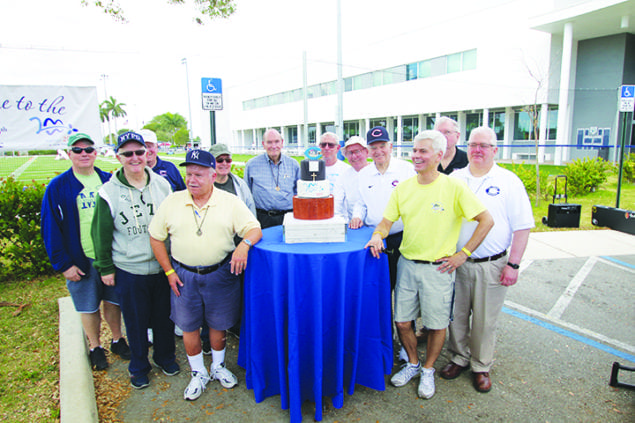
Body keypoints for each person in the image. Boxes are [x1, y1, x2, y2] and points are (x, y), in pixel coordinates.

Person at [365, 129, 493, 400]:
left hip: (439, 268)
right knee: (402, 322)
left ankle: (428, 369)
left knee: (436, 325)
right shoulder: (404, 187)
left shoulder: (454, 187)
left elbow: (486, 220)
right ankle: (412, 362)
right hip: (407, 265)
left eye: (423, 151)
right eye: (414, 151)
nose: (416, 156)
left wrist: (464, 254)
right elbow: (386, 222)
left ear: (439, 154)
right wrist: (378, 235)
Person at [149, 149, 262, 402]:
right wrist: (168, 271)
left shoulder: (230, 201)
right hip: (183, 275)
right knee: (188, 325)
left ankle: (218, 367)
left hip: (220, 273)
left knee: (219, 324)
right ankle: (198, 372)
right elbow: (156, 237)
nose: (192, 180)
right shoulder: (172, 200)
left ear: (213, 175)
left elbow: (254, 228)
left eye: (198, 174)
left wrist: (243, 245)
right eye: (188, 174)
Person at [441, 126, 534, 392]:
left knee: (484, 320)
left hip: (491, 264)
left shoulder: (508, 181)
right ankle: (459, 357)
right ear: (466, 148)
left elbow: (523, 226)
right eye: (473, 145)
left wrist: (513, 264)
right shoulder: (455, 178)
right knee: (456, 316)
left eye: (484, 145)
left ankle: (481, 366)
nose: (478, 150)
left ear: (495, 149)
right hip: (456, 263)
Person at [91, 131, 179, 389]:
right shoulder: (108, 192)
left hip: (163, 265)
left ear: (148, 153)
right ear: (118, 157)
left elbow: (174, 222)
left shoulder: (162, 185)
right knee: (136, 321)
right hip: (130, 268)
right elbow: (101, 234)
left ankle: (165, 357)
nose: (134, 158)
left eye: (139, 152)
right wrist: (105, 267)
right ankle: (139, 366)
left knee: (164, 317)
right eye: (127, 153)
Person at [41, 132, 130, 371]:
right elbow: (50, 228)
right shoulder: (58, 186)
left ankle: (116, 339)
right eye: (77, 150)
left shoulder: (108, 179)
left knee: (113, 302)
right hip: (81, 259)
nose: (84, 154)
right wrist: (63, 264)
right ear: (68, 153)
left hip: (110, 257)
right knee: (88, 306)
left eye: (88, 150)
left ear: (96, 152)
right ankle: (94, 346)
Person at [350, 126, 415, 290]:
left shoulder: (406, 170)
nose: (378, 151)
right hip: (374, 237)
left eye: (382, 146)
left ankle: (402, 316)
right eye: (373, 147)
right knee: (379, 285)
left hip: (400, 236)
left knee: (402, 285)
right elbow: (360, 202)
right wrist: (356, 216)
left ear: (391, 146)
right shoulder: (364, 174)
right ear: (368, 151)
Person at [244, 128, 300, 228]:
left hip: (287, 218)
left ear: (282, 143)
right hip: (262, 219)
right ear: (263, 144)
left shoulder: (293, 165)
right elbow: (246, 195)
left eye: (277, 142)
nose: (273, 146)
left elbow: (299, 194)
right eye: (269, 142)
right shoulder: (252, 165)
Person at [210, 143, 256, 216]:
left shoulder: (240, 184)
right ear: (211, 162)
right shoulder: (204, 185)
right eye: (220, 160)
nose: (224, 163)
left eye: (228, 160)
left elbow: (250, 210)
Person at [333, 136, 369, 221]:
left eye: (357, 151)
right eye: (350, 153)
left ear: (366, 152)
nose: (354, 156)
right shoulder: (343, 177)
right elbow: (337, 203)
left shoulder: (376, 172)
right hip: (354, 226)